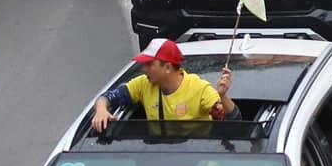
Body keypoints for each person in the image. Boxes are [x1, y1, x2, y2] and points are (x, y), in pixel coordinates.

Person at [89, 37, 234, 130]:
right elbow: (108, 97)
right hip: (159, 157)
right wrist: (101, 109)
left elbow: (233, 121)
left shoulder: (200, 89)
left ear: (167, 67)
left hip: (198, 164)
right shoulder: (143, 84)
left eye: (149, 64)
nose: (143, 69)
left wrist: (222, 96)